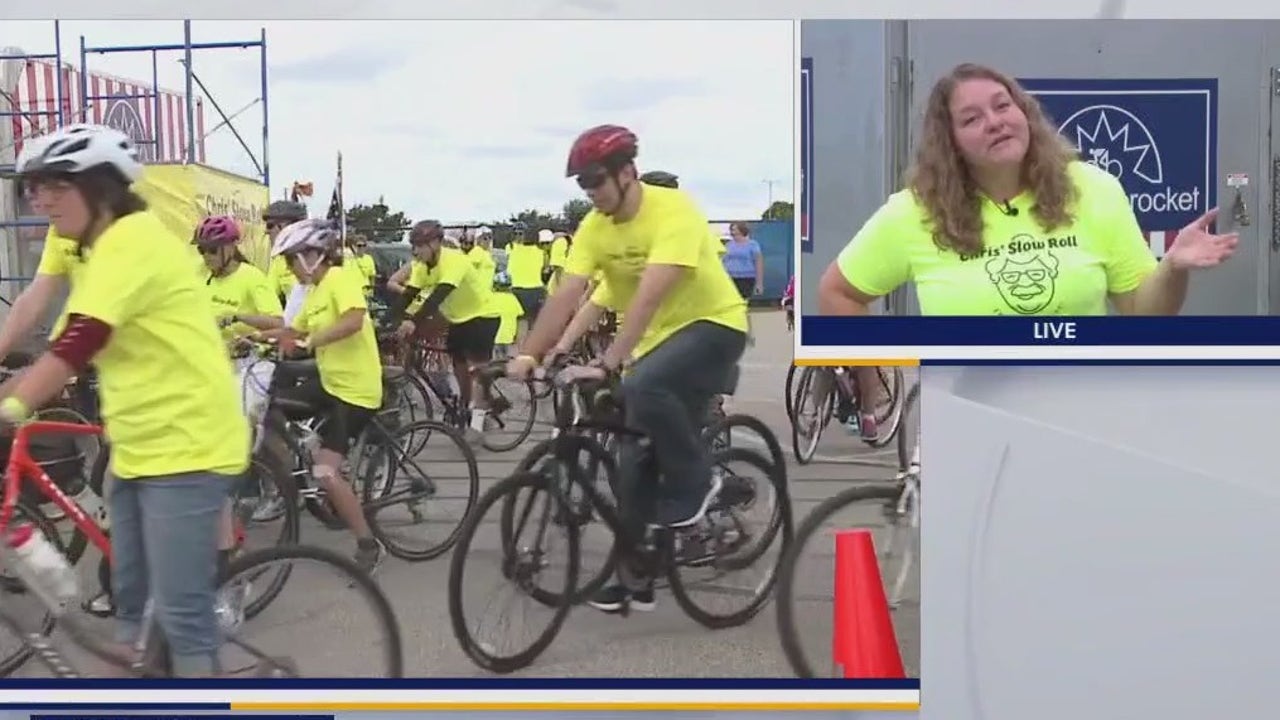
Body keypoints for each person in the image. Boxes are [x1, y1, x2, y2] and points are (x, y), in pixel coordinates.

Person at [817, 62, 1238, 439]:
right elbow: (838, 292)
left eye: (1003, 106)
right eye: (971, 119)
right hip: (969, 428)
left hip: (1085, 423)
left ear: (1025, 114)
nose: (994, 122)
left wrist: (1173, 268)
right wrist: (875, 374)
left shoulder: (1093, 189)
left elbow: (1144, 314)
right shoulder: (914, 213)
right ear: (950, 143)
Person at [1, 123, 249, 677]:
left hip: (190, 446)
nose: (41, 199)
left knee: (181, 616)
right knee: (130, 603)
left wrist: (11, 408)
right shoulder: (88, 242)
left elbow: (75, 344)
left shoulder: (134, 243)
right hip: (137, 444)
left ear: (101, 188)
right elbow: (41, 308)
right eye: (34, 188)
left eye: (55, 186)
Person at [506, 124, 748, 613]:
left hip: (713, 326)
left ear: (627, 172)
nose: (591, 192)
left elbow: (647, 297)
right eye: (583, 184)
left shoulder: (674, 210)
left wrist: (608, 362)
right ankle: (635, 575)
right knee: (632, 460)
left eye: (596, 180)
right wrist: (533, 353)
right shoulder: (596, 227)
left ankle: (700, 482)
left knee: (640, 386)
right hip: (659, 344)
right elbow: (571, 296)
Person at [258, 218, 386, 573]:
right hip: (330, 383)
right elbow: (292, 331)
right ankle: (306, 451)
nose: (289, 268)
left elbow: (353, 320)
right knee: (271, 405)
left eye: (291, 259)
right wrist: (251, 338)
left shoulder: (339, 279)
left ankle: (368, 544)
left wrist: (313, 340)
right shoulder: (314, 291)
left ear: (313, 255)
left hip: (355, 391)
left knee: (326, 472)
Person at [393, 220, 502, 440]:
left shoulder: (454, 260)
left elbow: (439, 295)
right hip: (458, 319)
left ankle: (478, 424)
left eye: (420, 245)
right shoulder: (422, 266)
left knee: (478, 371)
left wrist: (413, 321)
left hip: (483, 315)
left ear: (435, 243)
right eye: (413, 246)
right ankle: (468, 405)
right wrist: (386, 321)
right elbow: (409, 296)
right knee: (459, 367)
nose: (415, 251)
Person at [262, 200, 308, 305]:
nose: (266, 231)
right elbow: (268, 296)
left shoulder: (319, 255)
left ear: (285, 227)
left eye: (270, 225)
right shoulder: (279, 260)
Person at [506, 225, 548, 337]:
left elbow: (509, 271)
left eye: (520, 234)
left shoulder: (512, 250)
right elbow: (545, 268)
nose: (518, 237)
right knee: (534, 323)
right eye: (517, 234)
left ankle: (522, 346)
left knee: (522, 322)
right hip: (535, 289)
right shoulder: (541, 252)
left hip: (520, 289)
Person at [722, 222, 764, 300]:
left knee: (743, 300)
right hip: (730, 277)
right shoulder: (728, 245)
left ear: (742, 230)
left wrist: (759, 283)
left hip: (746, 278)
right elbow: (723, 261)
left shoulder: (753, 245)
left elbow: (758, 263)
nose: (732, 232)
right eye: (731, 229)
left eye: (734, 229)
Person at [491, 271, 524, 359]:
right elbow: (520, 316)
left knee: (495, 356)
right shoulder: (513, 298)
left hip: (493, 334)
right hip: (509, 335)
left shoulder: (491, 298)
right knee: (505, 355)